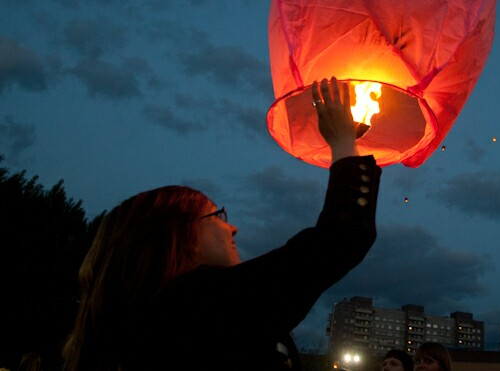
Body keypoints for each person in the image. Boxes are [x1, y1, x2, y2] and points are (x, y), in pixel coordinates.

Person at [62, 78, 380, 371]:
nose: (232, 228)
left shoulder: (151, 321)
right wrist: (341, 144)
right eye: (216, 216)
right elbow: (338, 240)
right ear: (179, 237)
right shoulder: (192, 309)